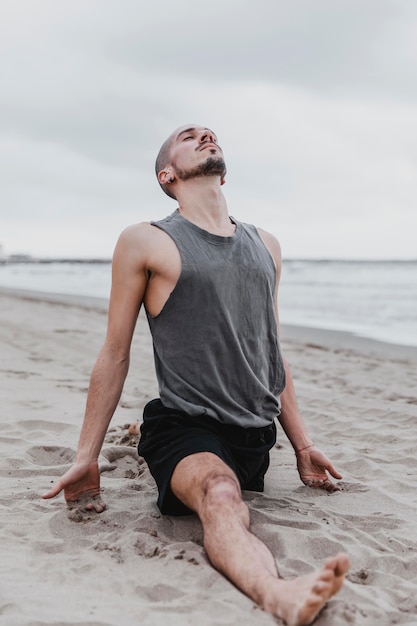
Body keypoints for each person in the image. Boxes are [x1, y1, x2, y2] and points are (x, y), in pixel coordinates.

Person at [43, 124, 349, 625]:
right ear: (167, 174)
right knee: (221, 495)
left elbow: (271, 351)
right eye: (189, 137)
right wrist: (86, 457)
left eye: (209, 134)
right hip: (183, 426)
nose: (205, 135)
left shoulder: (266, 244)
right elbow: (115, 352)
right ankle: (277, 594)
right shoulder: (146, 240)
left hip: (254, 435)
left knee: (235, 483)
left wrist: (302, 445)